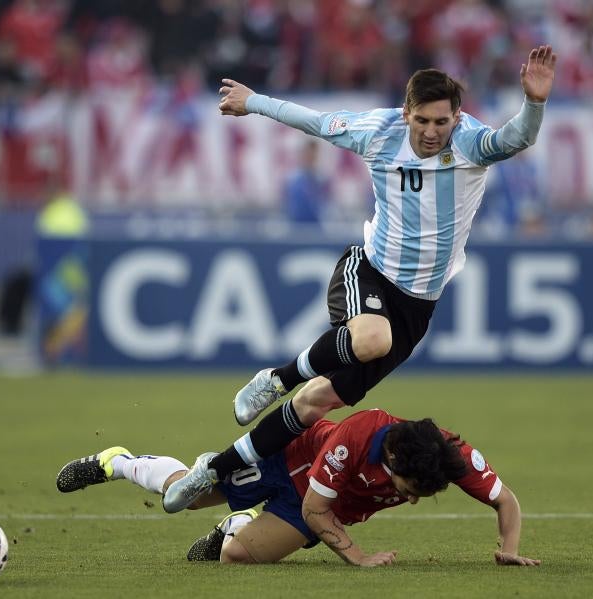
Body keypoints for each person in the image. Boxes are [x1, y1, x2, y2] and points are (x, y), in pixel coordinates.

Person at [163, 45, 558, 513]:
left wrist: (534, 103)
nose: (433, 133)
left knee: (316, 402)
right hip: (369, 270)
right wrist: (254, 101)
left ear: (457, 117)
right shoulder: (378, 131)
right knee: (371, 338)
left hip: (418, 305)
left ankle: (215, 469)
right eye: (423, 121)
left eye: (442, 122)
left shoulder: (469, 143)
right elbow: (313, 120)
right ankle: (275, 378)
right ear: (406, 112)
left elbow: (515, 138)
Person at [56, 409, 540, 567]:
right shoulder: (356, 437)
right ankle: (117, 462)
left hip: (323, 506)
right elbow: (314, 510)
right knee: (184, 498)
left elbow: (506, 500)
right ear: (392, 457)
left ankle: (237, 527)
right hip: (286, 466)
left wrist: (510, 549)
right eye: (409, 488)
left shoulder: (443, 454)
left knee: (235, 558)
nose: (410, 499)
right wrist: (359, 558)